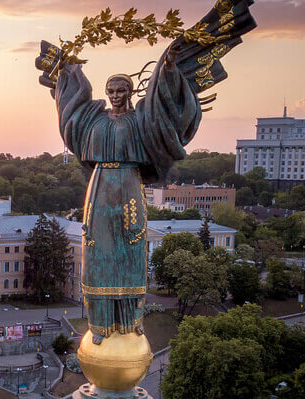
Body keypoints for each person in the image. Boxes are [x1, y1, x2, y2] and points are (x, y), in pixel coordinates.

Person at [36, 0, 256, 344]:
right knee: (98, 253)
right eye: (111, 91)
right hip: (99, 190)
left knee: (130, 249)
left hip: (128, 186)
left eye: (121, 90)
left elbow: (163, 107)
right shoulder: (92, 119)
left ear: (131, 91)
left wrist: (168, 67)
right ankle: (100, 324)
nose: (115, 96)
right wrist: (67, 71)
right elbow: (71, 109)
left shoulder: (141, 121)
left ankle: (131, 321)